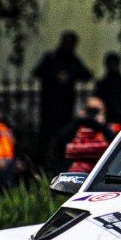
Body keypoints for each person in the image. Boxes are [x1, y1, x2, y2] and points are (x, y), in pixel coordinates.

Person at [33, 31, 93, 165]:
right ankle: (41, 163)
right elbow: (38, 72)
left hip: (66, 105)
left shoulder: (73, 60)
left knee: (64, 136)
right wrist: (55, 76)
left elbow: (86, 74)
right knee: (45, 137)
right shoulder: (51, 58)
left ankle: (61, 161)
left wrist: (71, 75)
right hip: (49, 105)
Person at [94, 52, 121, 124]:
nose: (112, 67)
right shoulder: (102, 84)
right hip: (107, 119)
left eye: (114, 64)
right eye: (111, 64)